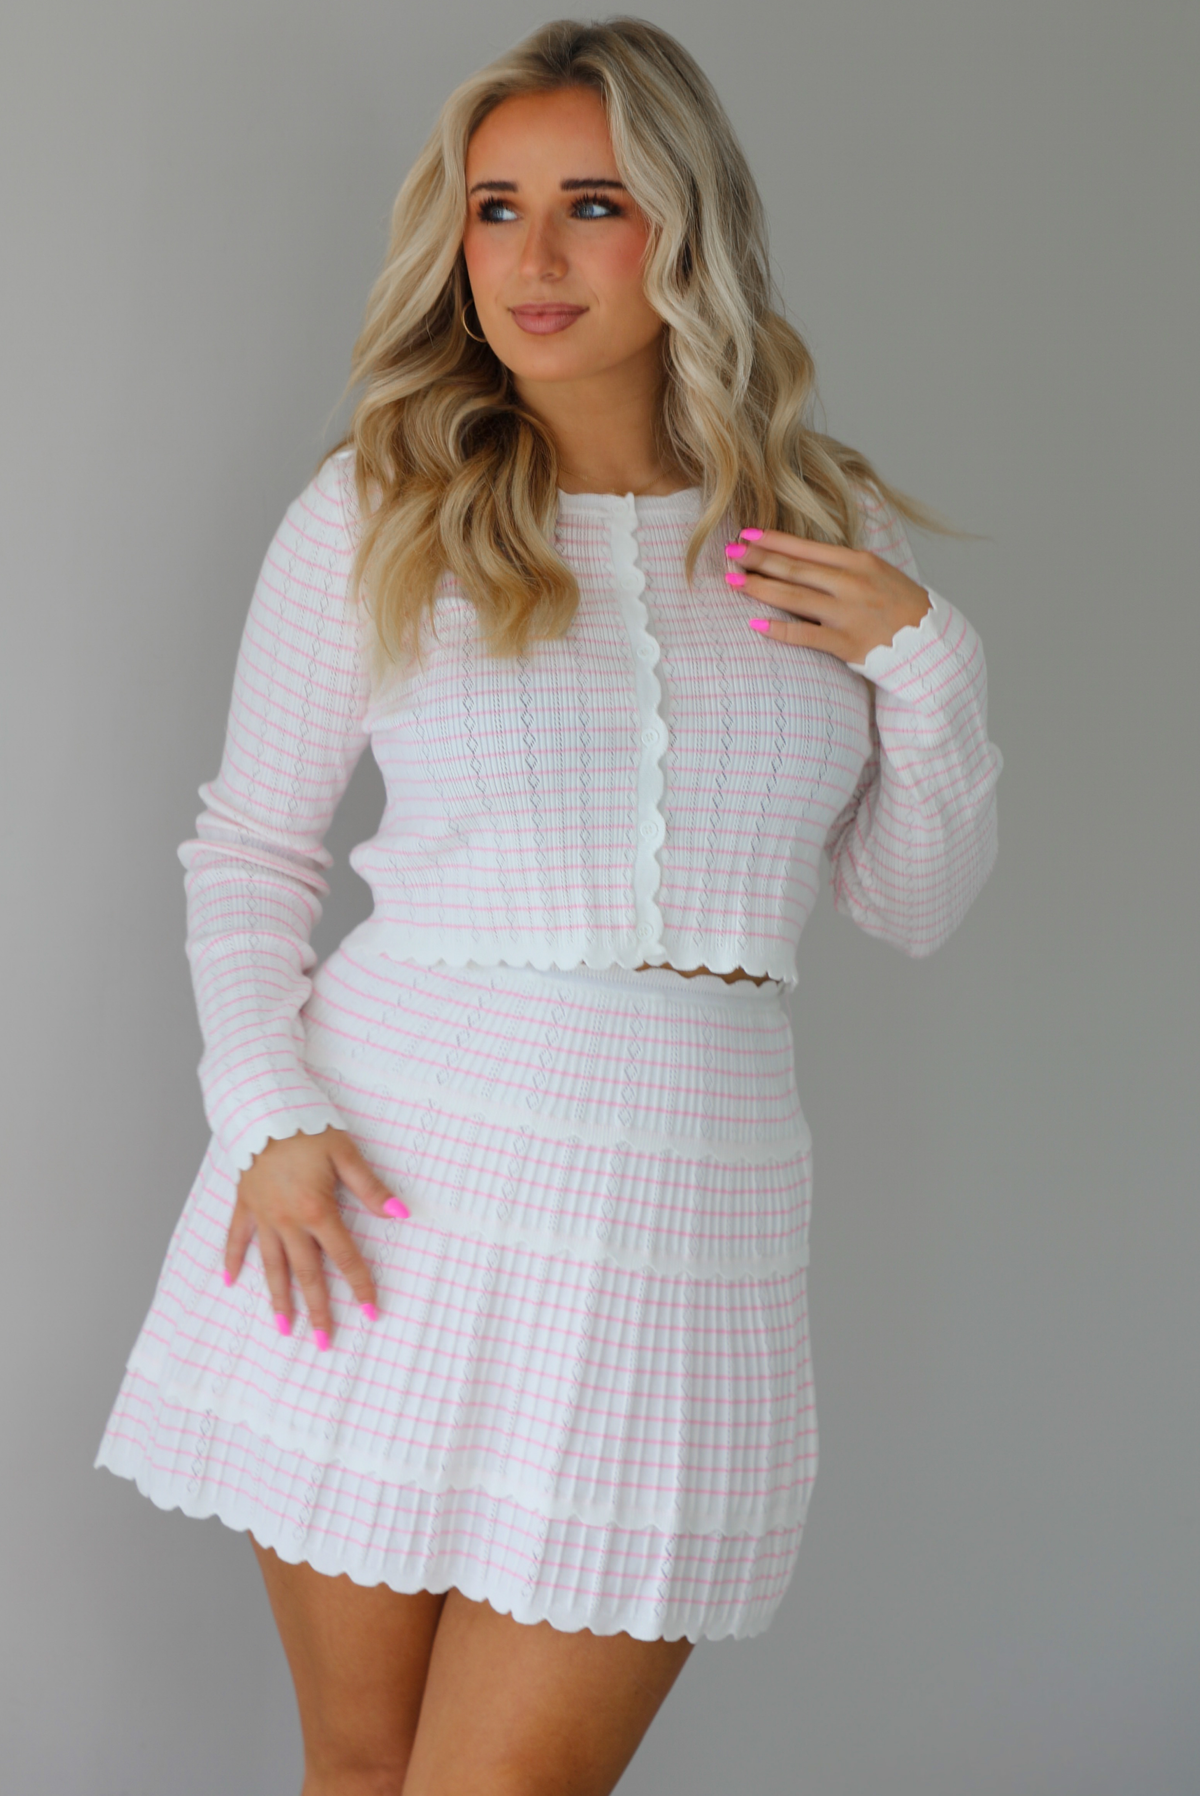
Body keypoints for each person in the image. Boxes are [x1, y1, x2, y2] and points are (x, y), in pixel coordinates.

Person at [96, 17, 1003, 1794]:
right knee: (361, 1766)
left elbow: (909, 904)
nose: (528, 255)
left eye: (592, 203)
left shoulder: (829, 528)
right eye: (493, 207)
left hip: (683, 1212)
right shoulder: (380, 510)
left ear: (690, 234)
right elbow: (249, 851)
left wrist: (932, 665)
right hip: (383, 1186)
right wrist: (268, 1116)